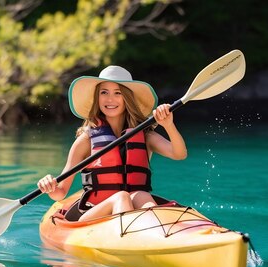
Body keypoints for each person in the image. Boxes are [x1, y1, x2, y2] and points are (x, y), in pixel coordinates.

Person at [37, 65, 187, 221]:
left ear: (127, 98)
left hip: (134, 209)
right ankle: (135, 236)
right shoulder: (86, 140)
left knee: (141, 195)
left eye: (118, 93)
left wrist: (169, 125)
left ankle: (155, 231)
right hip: (93, 216)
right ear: (97, 97)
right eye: (104, 92)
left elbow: (179, 154)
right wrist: (49, 186)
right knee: (121, 197)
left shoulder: (145, 135)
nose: (110, 99)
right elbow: (60, 192)